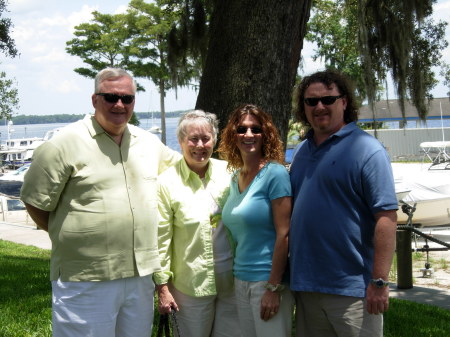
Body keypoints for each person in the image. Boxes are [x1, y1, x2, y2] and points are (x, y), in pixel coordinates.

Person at [20, 68, 179, 337]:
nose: (119, 104)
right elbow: (34, 201)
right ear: (95, 100)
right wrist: (68, 233)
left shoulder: (148, 143)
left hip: (139, 276)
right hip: (85, 277)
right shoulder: (62, 144)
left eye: (127, 99)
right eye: (110, 97)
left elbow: (185, 170)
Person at [289, 69, 398, 337]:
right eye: (311, 101)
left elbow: (386, 217)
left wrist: (380, 281)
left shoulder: (367, 150)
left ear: (344, 102)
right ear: (303, 107)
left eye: (328, 99)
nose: (320, 106)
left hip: (352, 290)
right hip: (306, 287)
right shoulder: (302, 151)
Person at [154, 110, 240, 337]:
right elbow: (161, 238)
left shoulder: (230, 172)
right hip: (190, 287)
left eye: (206, 138)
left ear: (214, 140)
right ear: (181, 141)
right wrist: (162, 288)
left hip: (233, 283)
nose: (200, 145)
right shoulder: (166, 182)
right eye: (193, 139)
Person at [217, 104, 293, 337]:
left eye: (255, 129)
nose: (248, 135)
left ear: (265, 134)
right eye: (241, 129)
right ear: (233, 135)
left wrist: (273, 286)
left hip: (267, 281)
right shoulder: (234, 178)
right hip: (240, 279)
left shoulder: (275, 174)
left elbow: (284, 233)